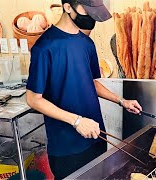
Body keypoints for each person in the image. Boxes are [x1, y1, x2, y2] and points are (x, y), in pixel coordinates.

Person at [25, 0, 142, 179]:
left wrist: (121, 101)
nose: (91, 17)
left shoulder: (87, 44)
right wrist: (77, 121)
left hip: (96, 136)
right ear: (67, 7)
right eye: (87, 11)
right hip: (67, 148)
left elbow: (92, 83)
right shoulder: (44, 47)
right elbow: (33, 99)